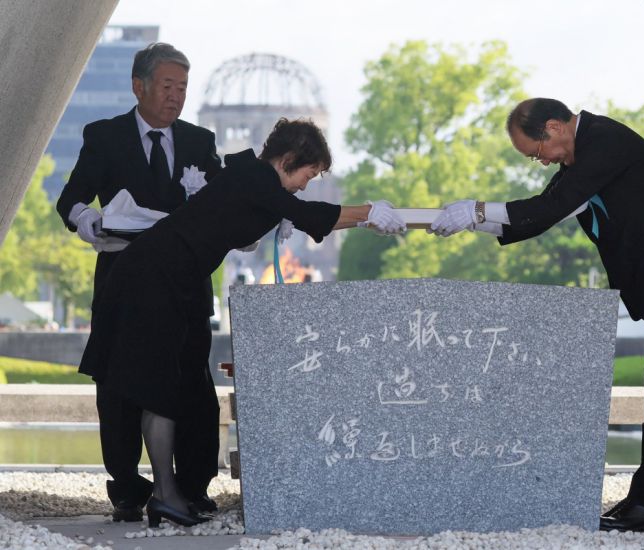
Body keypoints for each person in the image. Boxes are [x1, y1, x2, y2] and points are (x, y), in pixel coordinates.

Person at [79, 117, 406, 526]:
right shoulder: (255, 177)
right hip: (153, 279)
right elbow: (309, 215)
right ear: (289, 158)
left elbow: (292, 213)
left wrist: (337, 214)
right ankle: (164, 494)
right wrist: (369, 213)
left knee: (165, 384)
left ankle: (167, 492)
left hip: (162, 277)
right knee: (157, 387)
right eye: (309, 173)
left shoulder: (252, 179)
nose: (307, 183)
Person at [430, 98, 644, 533]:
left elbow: (550, 206)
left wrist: (477, 209)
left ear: (554, 127)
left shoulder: (604, 141)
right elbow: (535, 218)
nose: (541, 162)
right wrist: (472, 222)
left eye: (536, 153)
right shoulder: (579, 162)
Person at [55, 43, 222, 522]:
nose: (175, 98)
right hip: (122, 284)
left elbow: (219, 204)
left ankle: (192, 486)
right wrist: (87, 222)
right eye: (167, 86)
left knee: (192, 381)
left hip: (185, 285)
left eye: (183, 88)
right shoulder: (105, 136)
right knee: (119, 386)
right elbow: (70, 197)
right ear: (139, 86)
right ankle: (128, 487)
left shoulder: (199, 141)